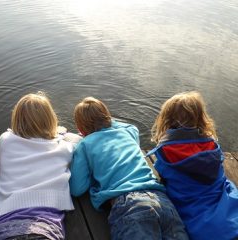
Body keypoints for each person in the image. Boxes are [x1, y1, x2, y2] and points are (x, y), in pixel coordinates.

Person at [69, 97, 188, 240]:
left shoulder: (84, 144)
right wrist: (105, 121)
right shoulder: (127, 132)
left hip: (130, 205)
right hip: (162, 200)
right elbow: (132, 128)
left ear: (80, 129)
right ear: (108, 117)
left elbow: (77, 188)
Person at [148, 91, 238, 240]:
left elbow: (164, 173)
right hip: (223, 203)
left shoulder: (165, 151)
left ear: (166, 120)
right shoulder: (212, 145)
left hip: (196, 212)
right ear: (201, 118)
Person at [0, 92, 78, 240]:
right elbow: (79, 143)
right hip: (44, 224)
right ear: (50, 119)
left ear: (17, 119)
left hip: (3, 223)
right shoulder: (62, 147)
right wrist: (61, 134)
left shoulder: (6, 140)